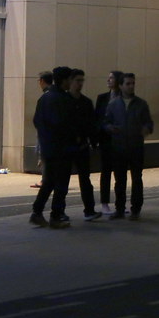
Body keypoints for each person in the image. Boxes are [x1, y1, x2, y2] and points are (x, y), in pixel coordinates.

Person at [29, 66, 76, 229]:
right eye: (70, 79)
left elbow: (37, 121)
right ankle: (56, 216)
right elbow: (67, 125)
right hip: (62, 148)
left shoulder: (45, 98)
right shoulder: (64, 99)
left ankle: (37, 212)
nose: (71, 82)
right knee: (61, 184)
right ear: (64, 80)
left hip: (49, 148)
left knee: (48, 182)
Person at [105, 72, 153, 220]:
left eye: (133, 83)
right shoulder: (113, 105)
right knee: (120, 180)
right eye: (128, 83)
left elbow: (149, 122)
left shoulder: (141, 104)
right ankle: (119, 209)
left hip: (136, 146)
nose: (131, 86)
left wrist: (146, 129)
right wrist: (110, 128)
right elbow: (106, 122)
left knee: (137, 179)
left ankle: (136, 209)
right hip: (119, 146)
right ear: (121, 86)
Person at [69, 69, 102, 221]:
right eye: (78, 80)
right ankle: (59, 211)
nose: (80, 84)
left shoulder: (86, 102)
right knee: (62, 180)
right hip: (68, 146)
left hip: (82, 145)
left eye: (82, 81)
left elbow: (91, 124)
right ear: (71, 81)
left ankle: (89, 209)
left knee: (85, 179)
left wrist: (93, 142)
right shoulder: (64, 101)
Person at [93, 70, 122, 214]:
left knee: (120, 173)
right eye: (108, 78)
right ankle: (105, 202)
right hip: (106, 139)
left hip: (121, 140)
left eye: (112, 78)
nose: (108, 80)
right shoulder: (102, 98)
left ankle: (120, 204)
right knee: (106, 172)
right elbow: (97, 118)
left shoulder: (124, 98)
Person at [31, 70, 53, 189]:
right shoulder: (57, 95)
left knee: (44, 155)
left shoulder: (45, 97)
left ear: (42, 81)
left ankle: (45, 180)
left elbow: (38, 118)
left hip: (45, 132)